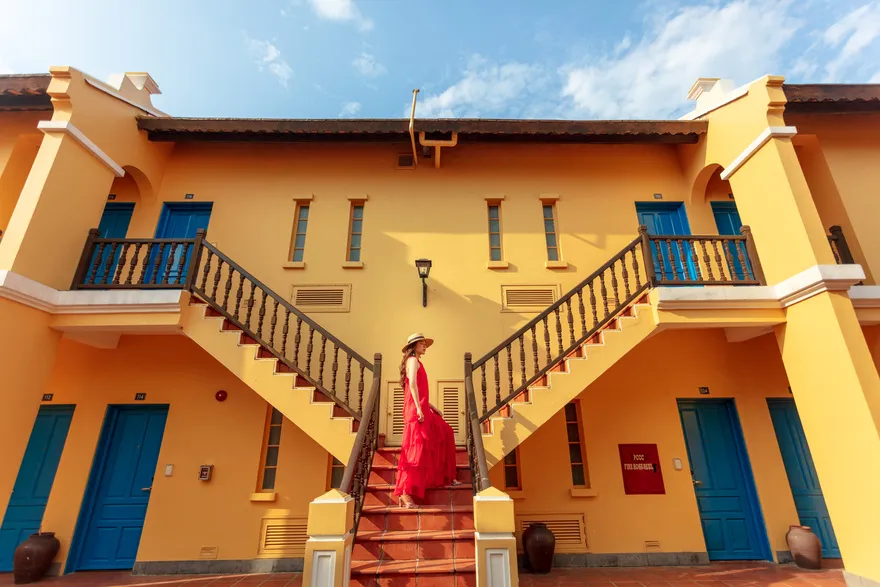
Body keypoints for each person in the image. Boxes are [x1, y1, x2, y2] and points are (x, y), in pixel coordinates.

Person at [393, 332, 460, 508]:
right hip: (416, 410)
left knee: (445, 432)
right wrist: (418, 408)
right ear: (414, 346)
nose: (424, 346)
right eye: (422, 343)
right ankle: (405, 493)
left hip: (421, 407)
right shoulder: (412, 360)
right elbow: (412, 385)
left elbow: (418, 389)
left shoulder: (416, 361)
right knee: (415, 451)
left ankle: (448, 476)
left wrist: (430, 406)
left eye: (424, 344)